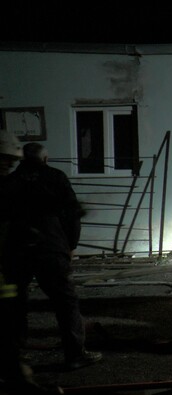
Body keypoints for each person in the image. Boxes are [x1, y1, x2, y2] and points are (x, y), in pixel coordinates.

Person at [2, 142, 102, 371]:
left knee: (15, 302)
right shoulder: (55, 177)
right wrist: (71, 245)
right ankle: (75, 354)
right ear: (45, 159)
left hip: (17, 250)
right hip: (51, 247)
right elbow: (73, 213)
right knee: (65, 301)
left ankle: (15, 356)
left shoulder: (9, 182)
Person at [0, 131, 63, 394]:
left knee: (9, 319)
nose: (7, 168)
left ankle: (17, 378)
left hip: (6, 271)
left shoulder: (9, 184)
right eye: (3, 162)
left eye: (10, 163)